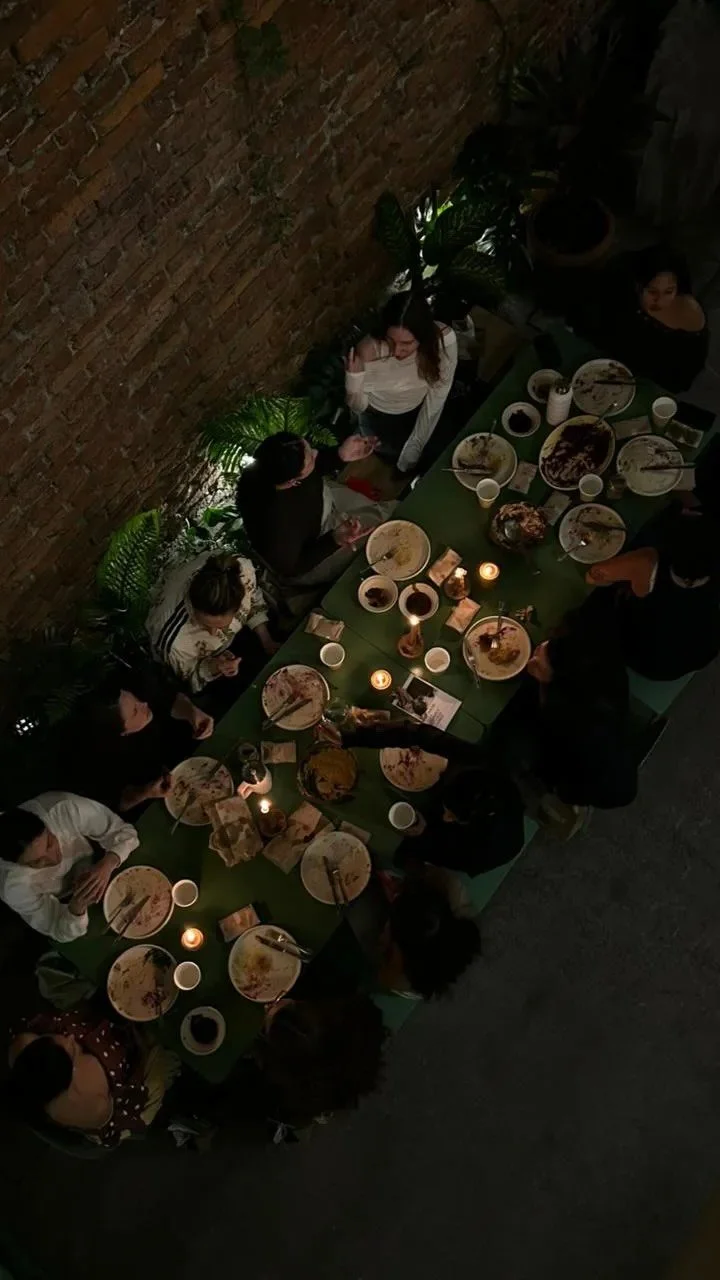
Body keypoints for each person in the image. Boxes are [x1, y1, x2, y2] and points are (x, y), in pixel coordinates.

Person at [341, 720, 525, 876]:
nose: (446, 817)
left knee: (404, 851)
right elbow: (417, 734)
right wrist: (351, 738)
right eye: (447, 809)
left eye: (452, 816)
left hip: (461, 845)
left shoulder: (489, 850)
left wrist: (425, 834)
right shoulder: (482, 764)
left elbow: (448, 854)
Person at [518, 612, 639, 815]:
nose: (541, 648)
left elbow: (548, 740)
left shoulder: (565, 718)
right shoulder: (606, 672)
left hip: (573, 778)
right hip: (610, 761)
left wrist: (543, 684)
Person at [236, 431, 391, 587]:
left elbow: (312, 467)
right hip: (314, 551)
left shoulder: (271, 464)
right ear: (292, 482)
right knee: (384, 534)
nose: (316, 453)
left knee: (387, 512)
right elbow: (293, 567)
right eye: (311, 458)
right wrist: (335, 539)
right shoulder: (273, 528)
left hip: (323, 500)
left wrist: (339, 455)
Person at [8, 1007, 178, 1149]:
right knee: (163, 1056)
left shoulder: (30, 1057)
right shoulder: (92, 1102)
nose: (71, 1038)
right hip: (133, 1088)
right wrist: (141, 1043)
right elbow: (138, 1065)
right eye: (77, 1052)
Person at [586, 514, 720, 681]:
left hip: (640, 655)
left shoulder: (648, 560)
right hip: (684, 661)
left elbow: (592, 577)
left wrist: (625, 566)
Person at [63, 670, 214, 813]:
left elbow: (169, 698)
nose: (144, 704)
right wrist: (145, 792)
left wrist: (191, 711)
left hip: (188, 757)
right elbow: (116, 803)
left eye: (136, 700)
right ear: (123, 732)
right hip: (154, 798)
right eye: (135, 712)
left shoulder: (134, 687)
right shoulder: (98, 756)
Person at [345, 291, 458, 473]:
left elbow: (439, 393)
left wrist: (415, 445)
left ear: (423, 336)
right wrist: (353, 382)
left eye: (407, 344)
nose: (397, 351)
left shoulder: (442, 340)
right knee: (392, 462)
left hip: (420, 409)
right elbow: (357, 407)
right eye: (390, 341)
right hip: (380, 419)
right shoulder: (368, 352)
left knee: (432, 455)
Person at [0, 792, 138, 941]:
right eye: (37, 862)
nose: (54, 859)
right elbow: (57, 929)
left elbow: (124, 832)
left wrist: (107, 863)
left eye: (50, 843)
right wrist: (77, 906)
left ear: (45, 825)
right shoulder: (12, 887)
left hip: (102, 857)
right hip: (66, 902)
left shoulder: (64, 809)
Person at [251, 996, 386, 1134]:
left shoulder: (286, 1085)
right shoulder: (351, 1033)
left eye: (269, 1025)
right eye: (298, 1005)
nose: (269, 1005)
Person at [146, 551, 276, 694]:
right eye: (204, 626)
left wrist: (267, 640)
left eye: (222, 626)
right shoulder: (174, 642)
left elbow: (253, 598)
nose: (213, 633)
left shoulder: (240, 571)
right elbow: (187, 680)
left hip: (233, 642)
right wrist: (214, 666)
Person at [586, 245, 708, 392]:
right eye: (652, 291)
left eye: (669, 291)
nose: (659, 300)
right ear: (638, 285)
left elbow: (678, 380)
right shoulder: (623, 292)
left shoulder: (690, 324)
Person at [378, 867, 481, 999]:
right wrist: (401, 887)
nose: (382, 935)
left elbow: (384, 975)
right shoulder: (449, 887)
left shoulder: (398, 979)